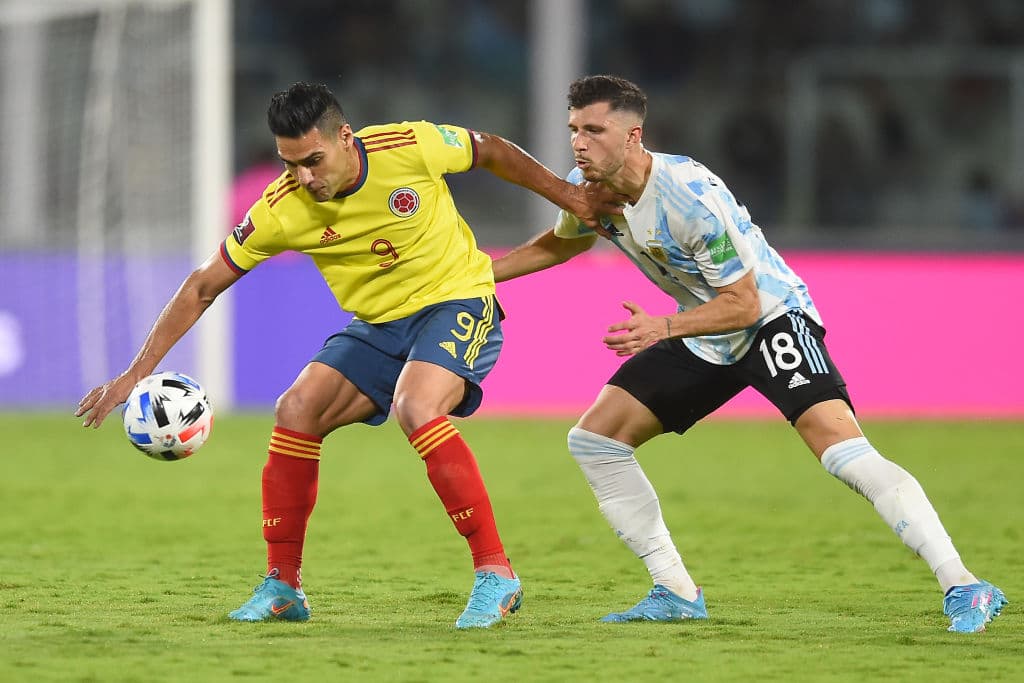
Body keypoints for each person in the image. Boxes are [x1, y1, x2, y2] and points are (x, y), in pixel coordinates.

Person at [76, 82, 622, 629]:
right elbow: (201, 285)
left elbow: (494, 151)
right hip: (379, 325)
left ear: (344, 138)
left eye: (313, 161)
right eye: (291, 165)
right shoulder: (280, 209)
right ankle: (282, 586)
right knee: (296, 410)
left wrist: (571, 198)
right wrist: (134, 374)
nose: (305, 178)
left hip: (457, 301)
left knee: (417, 405)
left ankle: (495, 572)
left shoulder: (409, 146)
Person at [491, 75, 1007, 633]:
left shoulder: (689, 198)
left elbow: (743, 303)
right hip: (699, 330)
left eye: (594, 129)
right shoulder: (590, 187)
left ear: (633, 135)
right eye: (574, 129)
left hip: (769, 318)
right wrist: (476, 275)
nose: (579, 143)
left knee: (842, 452)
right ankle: (676, 591)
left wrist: (662, 327)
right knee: (596, 441)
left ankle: (966, 585)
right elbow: (566, 239)